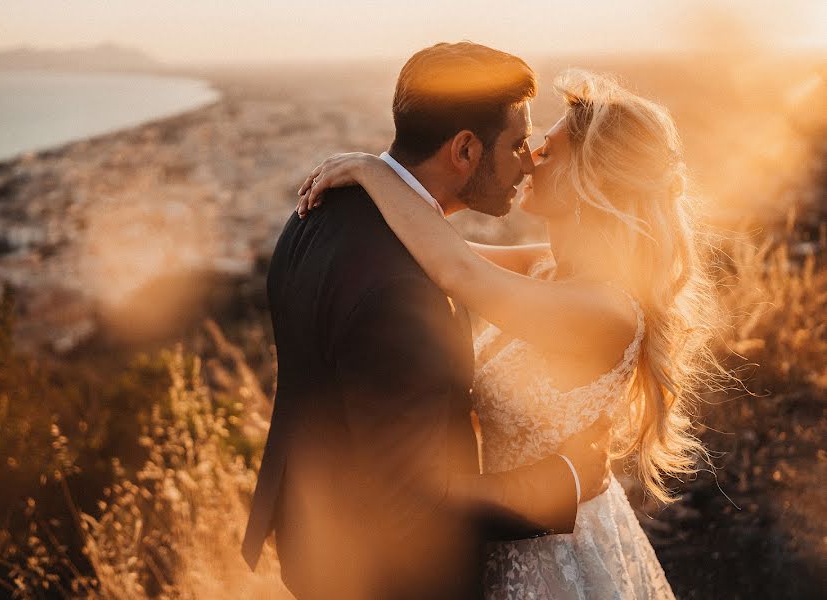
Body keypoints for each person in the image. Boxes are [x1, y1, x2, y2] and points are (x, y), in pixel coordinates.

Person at [296, 67, 719, 598]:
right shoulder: (546, 269)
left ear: (589, 183)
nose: (527, 161)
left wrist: (371, 170)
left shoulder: (604, 310)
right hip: (505, 525)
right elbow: (430, 253)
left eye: (546, 152)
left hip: (555, 546)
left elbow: (457, 271)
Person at [242, 43, 612, 600]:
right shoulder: (402, 292)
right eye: (515, 144)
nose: (527, 160)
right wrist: (570, 481)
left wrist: (370, 168)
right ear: (465, 150)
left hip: (315, 538)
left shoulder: (318, 215)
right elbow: (416, 501)